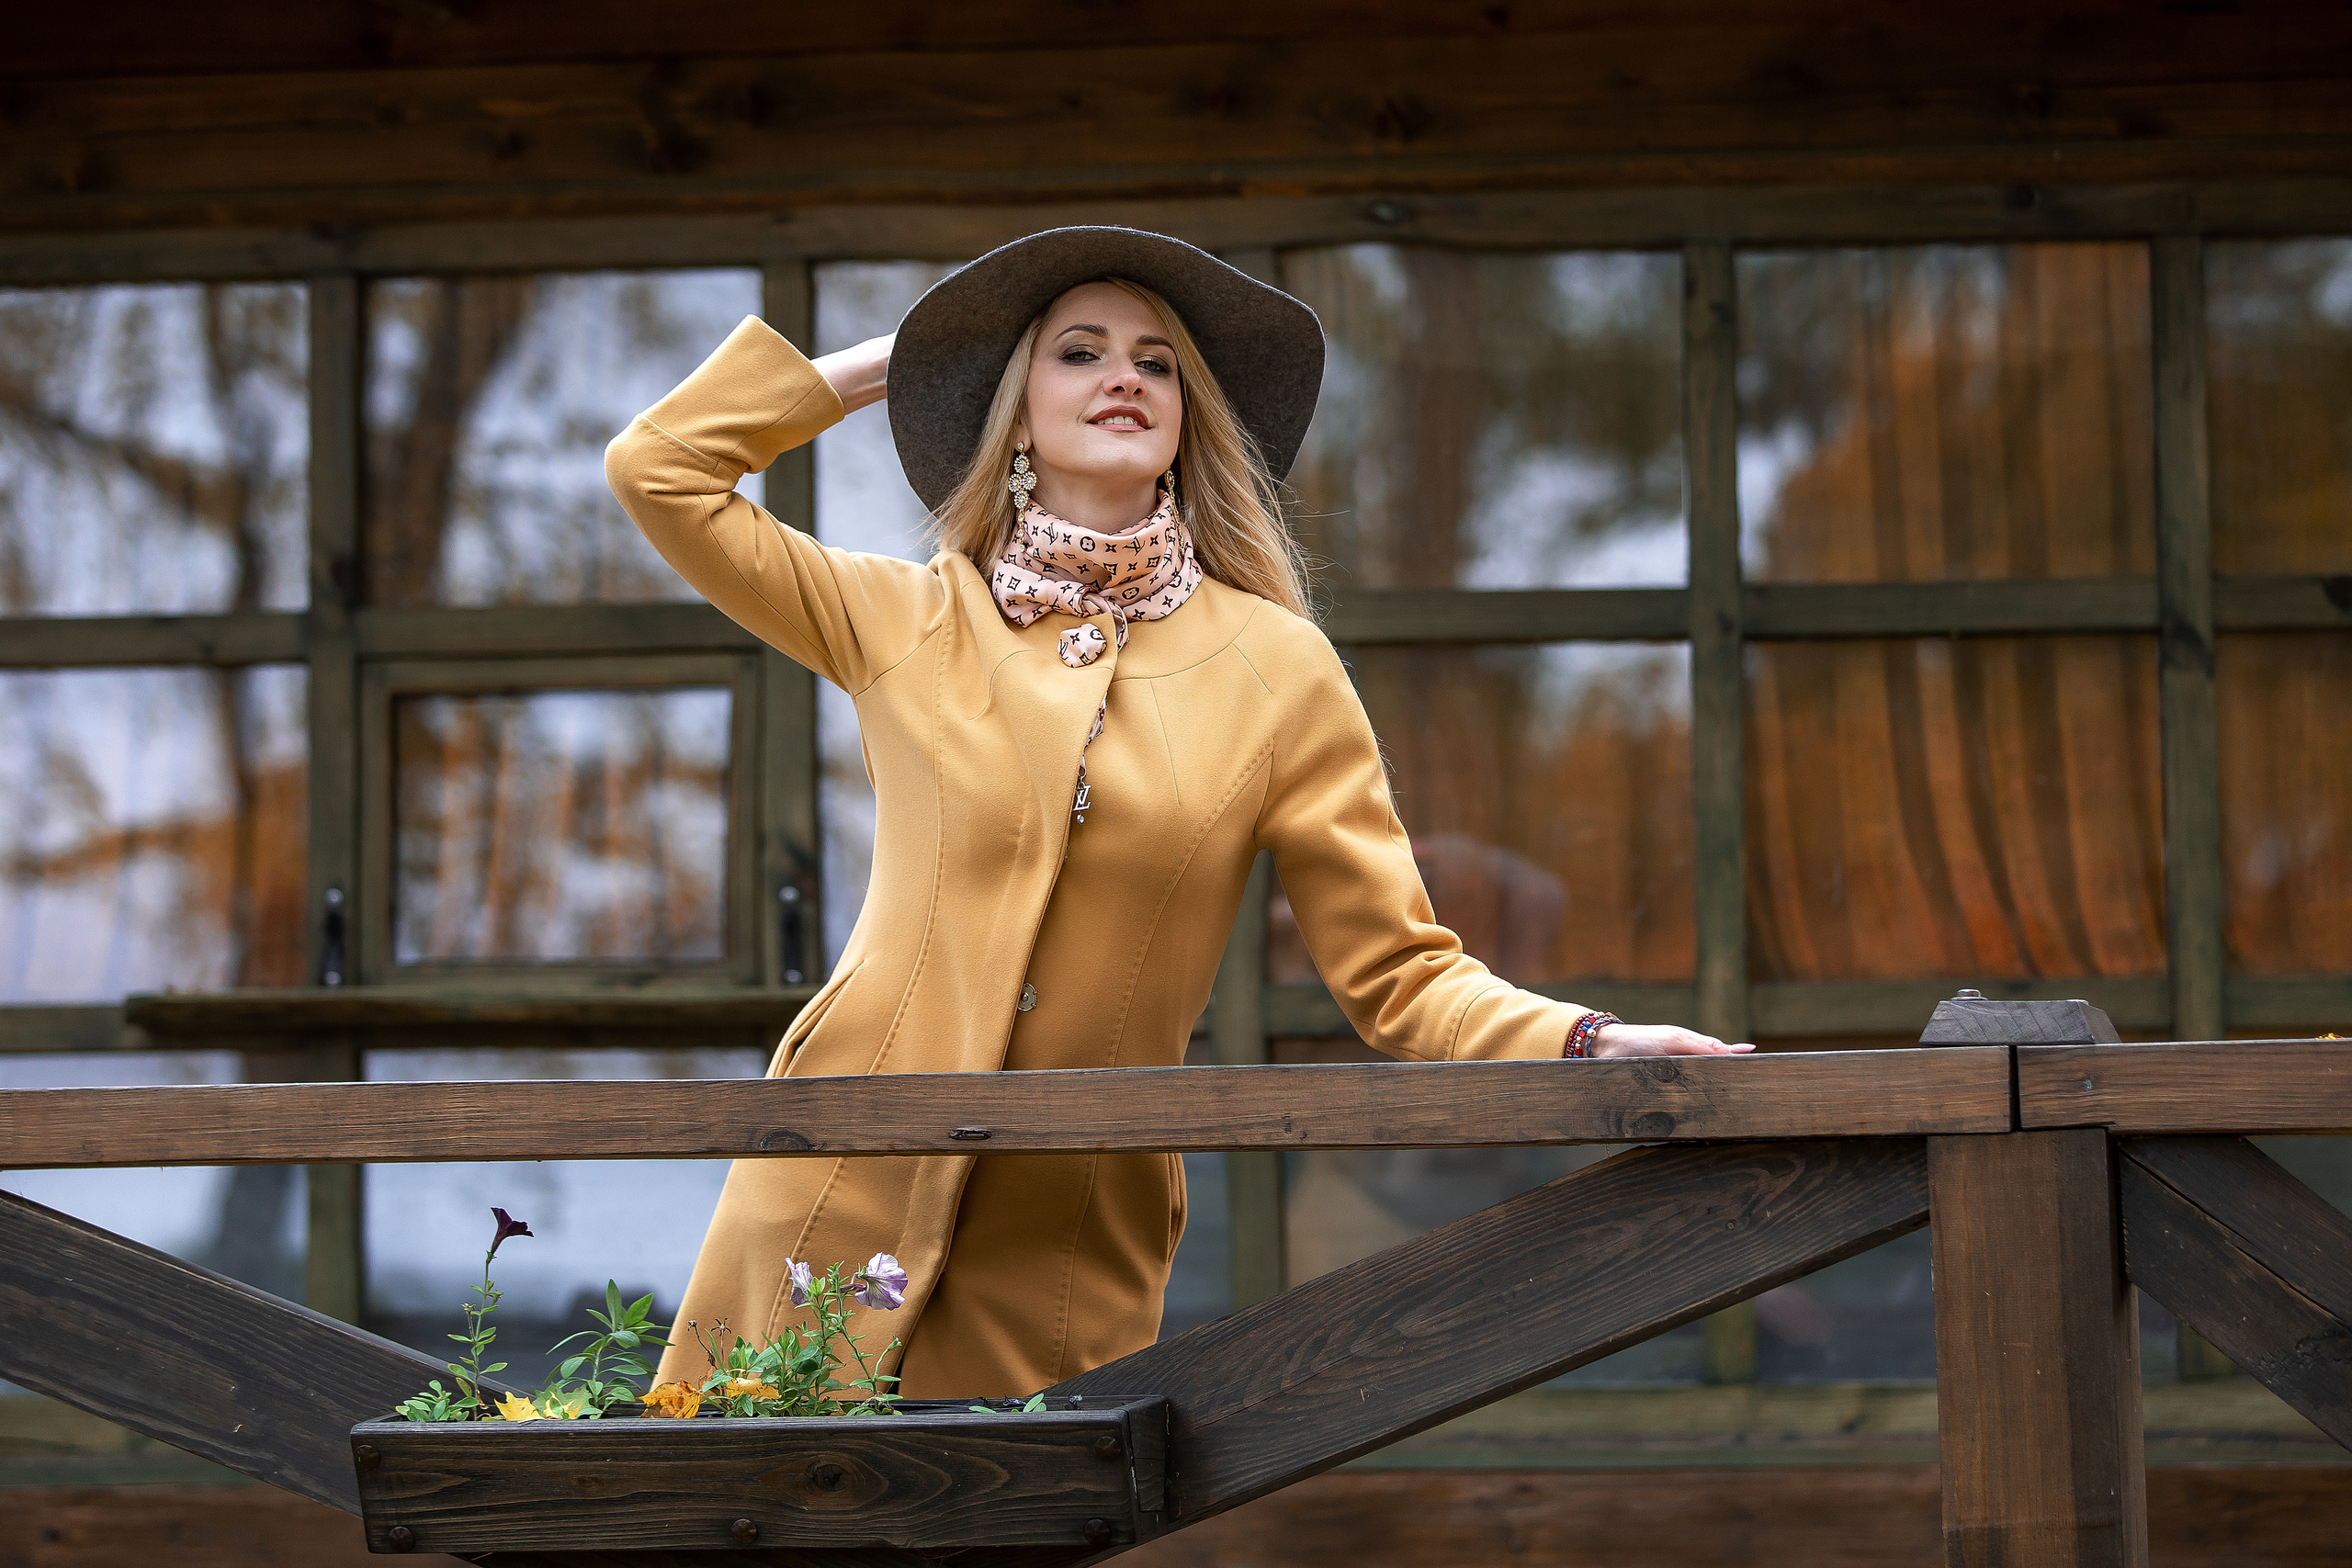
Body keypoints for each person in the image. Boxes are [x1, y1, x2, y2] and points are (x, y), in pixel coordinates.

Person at [606, 226, 1752, 1401]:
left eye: (1157, 364)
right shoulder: (904, 619)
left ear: (1188, 416)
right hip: (837, 1175)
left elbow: (1399, 973)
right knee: (747, 1509)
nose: (1122, 378)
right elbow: (659, 471)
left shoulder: (1276, 667)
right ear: (1015, 408)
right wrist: (901, 359)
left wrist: (1583, 1042)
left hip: (1066, 1226)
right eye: (1078, 353)